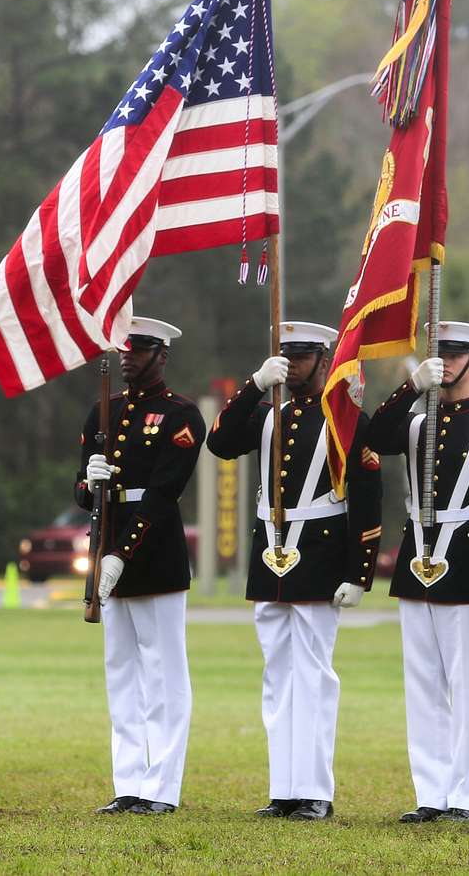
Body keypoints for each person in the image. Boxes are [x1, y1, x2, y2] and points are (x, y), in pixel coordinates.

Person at [206, 321, 384, 822]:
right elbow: (219, 444)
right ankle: (283, 787)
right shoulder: (267, 415)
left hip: (320, 556)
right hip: (271, 555)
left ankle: (315, 791)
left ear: (325, 360)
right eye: (287, 356)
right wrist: (254, 385)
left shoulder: (344, 418)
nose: (293, 365)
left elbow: (368, 499)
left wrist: (359, 571)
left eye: (302, 357)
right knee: (277, 677)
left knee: (313, 678)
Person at [365, 321, 469, 824]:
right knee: (423, 685)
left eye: (457, 355)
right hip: (416, 560)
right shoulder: (413, 422)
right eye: (441, 354)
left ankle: (468, 797)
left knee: (467, 688)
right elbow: (374, 436)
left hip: (466, 562)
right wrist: (412, 387)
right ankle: (430, 793)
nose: (448, 362)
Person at [75, 317, 206, 816]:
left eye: (140, 349)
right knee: (122, 673)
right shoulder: (101, 412)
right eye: (125, 349)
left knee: (164, 674)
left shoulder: (181, 415)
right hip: (107, 542)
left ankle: (161, 786)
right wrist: (91, 480)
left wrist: (121, 554)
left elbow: (164, 494)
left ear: (162, 355)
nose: (128, 357)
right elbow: (81, 490)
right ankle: (128, 782)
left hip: (153, 554)